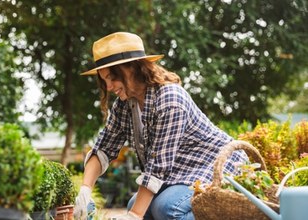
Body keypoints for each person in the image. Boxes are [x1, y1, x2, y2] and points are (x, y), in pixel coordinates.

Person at [74, 32, 248, 220]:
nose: (109, 87)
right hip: (178, 175)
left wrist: (133, 216)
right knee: (137, 204)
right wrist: (85, 190)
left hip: (216, 166)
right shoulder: (124, 106)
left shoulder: (170, 99)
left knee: (167, 208)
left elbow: (158, 166)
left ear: (132, 68)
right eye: (104, 80)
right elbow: (103, 149)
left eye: (113, 77)